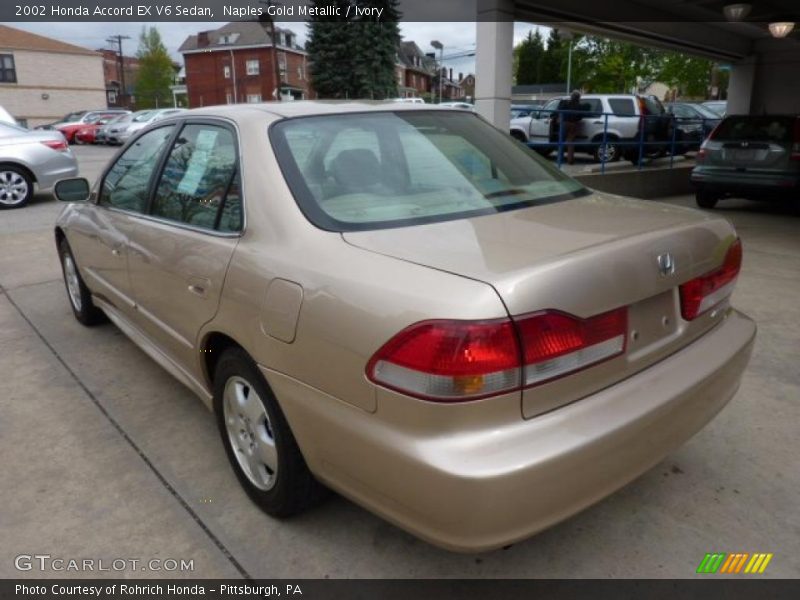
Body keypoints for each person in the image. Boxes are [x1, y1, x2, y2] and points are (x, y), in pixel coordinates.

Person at [556, 90, 586, 164]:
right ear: (578, 97)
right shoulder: (580, 106)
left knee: (561, 141)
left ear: (571, 96)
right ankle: (570, 160)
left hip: (564, 123)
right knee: (571, 143)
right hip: (574, 124)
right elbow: (581, 116)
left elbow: (558, 111)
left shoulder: (566, 103)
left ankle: (560, 159)